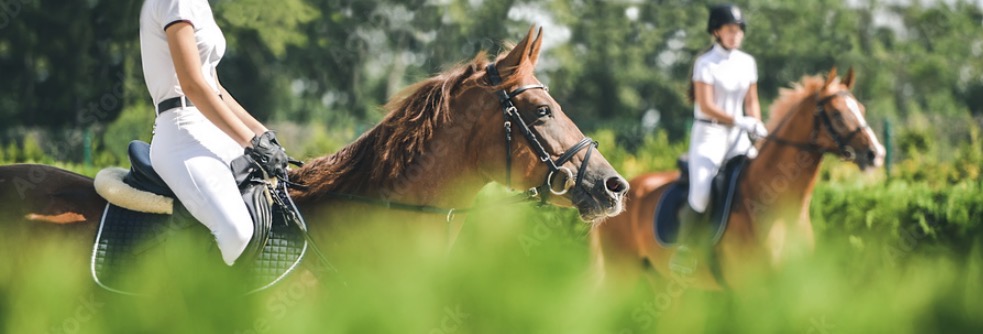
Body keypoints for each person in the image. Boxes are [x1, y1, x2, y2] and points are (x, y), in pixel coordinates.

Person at [139, 0, 289, 266]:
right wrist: (251, 143)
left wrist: (262, 135)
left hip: (214, 130)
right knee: (236, 232)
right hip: (182, 136)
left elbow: (214, 89)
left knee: (279, 201)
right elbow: (192, 85)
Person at [674, 3, 768, 269]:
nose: (735, 35)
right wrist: (739, 120)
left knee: (761, 179)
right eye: (730, 30)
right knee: (701, 193)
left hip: (738, 138)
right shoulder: (705, 63)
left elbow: (752, 100)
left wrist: (756, 124)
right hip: (709, 136)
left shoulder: (747, 62)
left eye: (739, 30)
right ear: (716, 32)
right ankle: (684, 250)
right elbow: (705, 105)